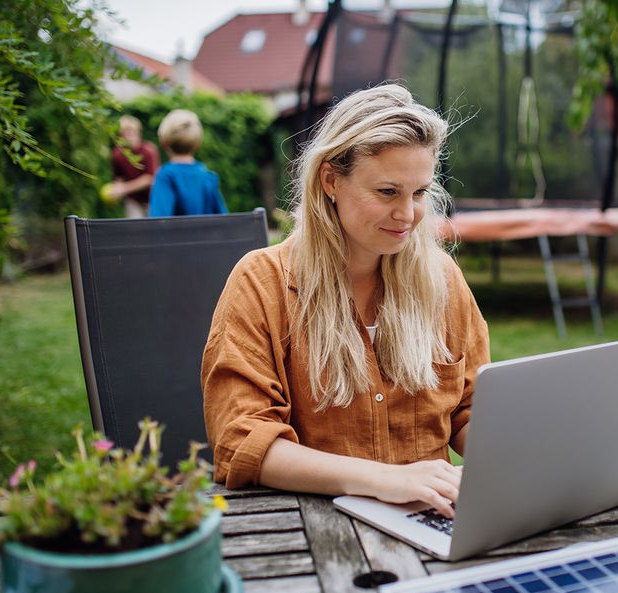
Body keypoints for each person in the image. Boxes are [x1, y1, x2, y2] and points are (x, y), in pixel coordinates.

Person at [201, 84, 489, 518]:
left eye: (419, 193)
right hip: (313, 525)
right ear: (331, 181)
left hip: (435, 516)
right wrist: (385, 479)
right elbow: (242, 441)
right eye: (388, 192)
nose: (408, 214)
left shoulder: (442, 281)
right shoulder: (263, 283)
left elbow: (469, 409)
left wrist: (523, 450)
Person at [148, 109, 228, 217]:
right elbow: (224, 220)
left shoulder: (165, 176)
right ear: (197, 143)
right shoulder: (207, 177)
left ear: (163, 142)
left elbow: (158, 220)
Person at [109, 115, 159, 218]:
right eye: (125, 133)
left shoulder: (148, 150)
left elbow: (149, 178)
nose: (129, 136)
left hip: (152, 198)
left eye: (132, 132)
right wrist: (116, 190)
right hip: (133, 201)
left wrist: (124, 188)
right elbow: (119, 178)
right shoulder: (117, 154)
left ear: (138, 133)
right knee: (135, 230)